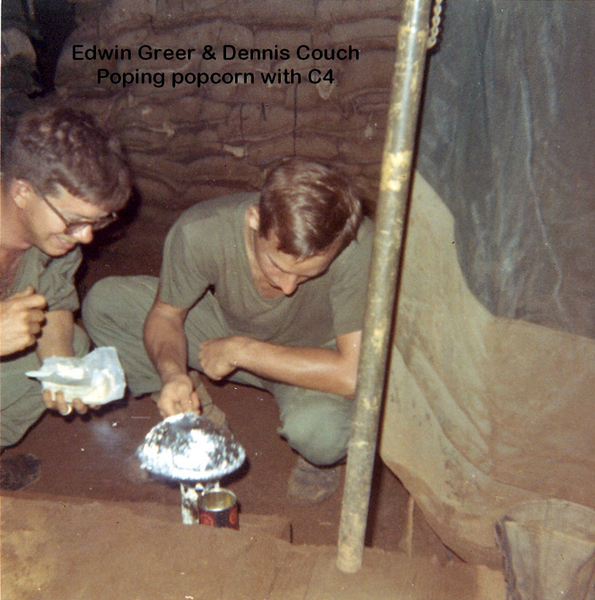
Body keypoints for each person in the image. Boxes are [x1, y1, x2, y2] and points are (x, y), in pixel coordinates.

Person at [82, 159, 373, 504]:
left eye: (309, 274)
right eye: (276, 265)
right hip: (223, 331)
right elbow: (165, 316)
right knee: (105, 304)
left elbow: (352, 374)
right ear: (254, 218)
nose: (289, 286)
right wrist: (173, 373)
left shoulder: (356, 242)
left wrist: (242, 350)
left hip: (311, 361)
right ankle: (198, 420)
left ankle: (319, 463)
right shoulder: (202, 230)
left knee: (321, 436)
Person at [0, 104, 132, 490]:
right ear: (23, 191)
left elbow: (55, 302)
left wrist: (60, 373)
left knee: (69, 344)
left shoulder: (56, 238)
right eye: (75, 220)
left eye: (96, 221)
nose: (86, 237)